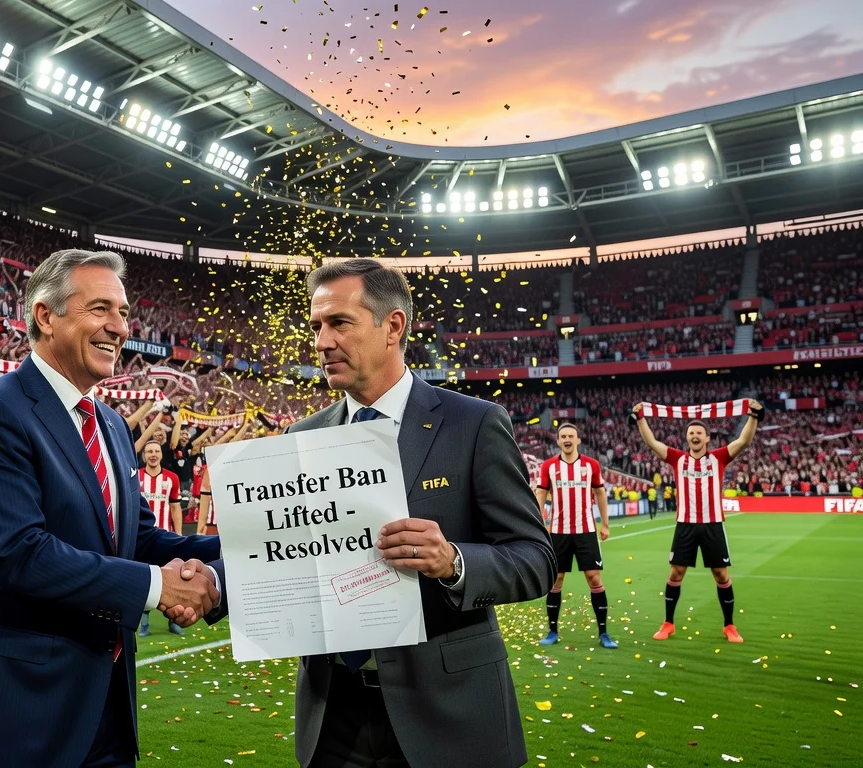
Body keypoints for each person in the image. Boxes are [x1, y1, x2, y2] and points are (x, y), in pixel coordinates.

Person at [0, 249, 225, 767]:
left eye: (124, 313)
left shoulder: (113, 427)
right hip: (14, 708)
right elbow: (19, 554)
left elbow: (141, 540)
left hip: (104, 705)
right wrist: (157, 586)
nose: (119, 327)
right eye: (101, 309)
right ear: (45, 315)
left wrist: (257, 541)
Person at [280, 259, 554, 768]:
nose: (321, 341)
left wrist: (453, 561)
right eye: (316, 326)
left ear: (393, 327)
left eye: (339, 323)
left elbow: (536, 559)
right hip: (333, 716)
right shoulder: (301, 438)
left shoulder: (474, 424)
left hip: (449, 713)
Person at [635, 402, 762, 644]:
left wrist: (753, 416)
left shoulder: (719, 458)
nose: (694, 436)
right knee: (676, 573)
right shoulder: (677, 459)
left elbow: (743, 441)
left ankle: (729, 626)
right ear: (687, 438)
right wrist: (641, 418)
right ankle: (668, 623)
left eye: (698, 433)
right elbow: (652, 442)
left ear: (707, 438)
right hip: (685, 526)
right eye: (691, 433)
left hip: (713, 525)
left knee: (721, 574)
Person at [535, 423, 616, 649]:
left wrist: (605, 524)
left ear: (578, 440)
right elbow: (541, 492)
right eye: (563, 436)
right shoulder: (549, 466)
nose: (567, 439)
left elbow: (600, 492)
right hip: (559, 532)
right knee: (556, 580)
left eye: (571, 436)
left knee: (594, 578)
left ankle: (603, 633)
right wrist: (539, 522)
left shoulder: (591, 465)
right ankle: (552, 631)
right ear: (558, 440)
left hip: (586, 532)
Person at [137, 439, 184, 637]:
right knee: (147, 579)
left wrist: (179, 533)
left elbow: (175, 506)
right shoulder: (136, 477)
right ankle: (145, 621)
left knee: (172, 579)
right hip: (143, 537)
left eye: (156, 451)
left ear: (161, 455)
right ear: (144, 456)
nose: (153, 454)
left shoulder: (172, 478)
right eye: (149, 452)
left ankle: (173, 620)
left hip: (165, 536)